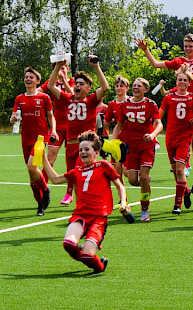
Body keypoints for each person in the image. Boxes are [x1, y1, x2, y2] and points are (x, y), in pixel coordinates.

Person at [137, 31, 193, 193]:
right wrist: (145, 50)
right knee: (177, 138)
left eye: (190, 46)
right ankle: (184, 167)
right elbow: (156, 64)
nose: (188, 49)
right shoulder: (179, 61)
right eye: (186, 46)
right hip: (180, 107)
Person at [41, 131, 127, 274]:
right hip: (80, 215)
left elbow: (120, 186)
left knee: (87, 256)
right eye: (81, 149)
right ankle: (88, 253)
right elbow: (55, 179)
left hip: (99, 218)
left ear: (96, 152)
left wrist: (123, 203)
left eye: (87, 149)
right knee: (68, 244)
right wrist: (44, 158)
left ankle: (98, 265)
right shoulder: (77, 171)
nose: (83, 152)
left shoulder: (103, 165)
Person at [46, 56, 110, 205]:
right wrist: (57, 66)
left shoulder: (90, 101)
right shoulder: (67, 99)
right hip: (70, 143)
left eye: (82, 84)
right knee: (74, 176)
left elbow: (105, 87)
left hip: (85, 144)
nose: (78, 86)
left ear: (87, 89)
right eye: (77, 83)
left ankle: (87, 201)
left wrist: (96, 67)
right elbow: (50, 86)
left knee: (79, 172)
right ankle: (80, 204)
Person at [111, 77, 163, 222]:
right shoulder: (125, 105)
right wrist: (113, 142)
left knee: (144, 176)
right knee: (133, 180)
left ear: (145, 90)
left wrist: (152, 135)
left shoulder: (150, 104)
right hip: (130, 147)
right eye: (134, 85)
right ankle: (145, 183)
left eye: (139, 86)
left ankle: (144, 209)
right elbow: (119, 125)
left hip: (146, 146)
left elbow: (159, 124)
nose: (135, 88)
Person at [158, 65, 193, 215]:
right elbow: (158, 117)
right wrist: (154, 133)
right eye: (180, 80)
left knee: (180, 170)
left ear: (189, 82)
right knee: (175, 172)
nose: (182, 82)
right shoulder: (168, 98)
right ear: (176, 81)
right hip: (170, 138)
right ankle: (186, 191)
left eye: (185, 80)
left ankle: (177, 205)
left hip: (184, 138)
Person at [11, 67, 57, 216]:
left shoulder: (44, 98)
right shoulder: (19, 98)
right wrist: (13, 119)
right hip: (25, 138)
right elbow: (14, 117)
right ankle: (40, 205)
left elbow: (51, 116)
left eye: (31, 77)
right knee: (32, 177)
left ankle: (45, 190)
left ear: (37, 81)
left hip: (40, 139)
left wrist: (54, 131)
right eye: (26, 77)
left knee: (32, 167)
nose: (28, 79)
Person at [104, 75, 131, 178]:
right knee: (116, 171)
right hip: (118, 139)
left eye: (121, 86)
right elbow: (106, 123)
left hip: (130, 139)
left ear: (127, 88)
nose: (119, 88)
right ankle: (123, 194)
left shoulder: (131, 102)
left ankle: (143, 180)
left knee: (126, 172)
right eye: (117, 86)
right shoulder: (112, 104)